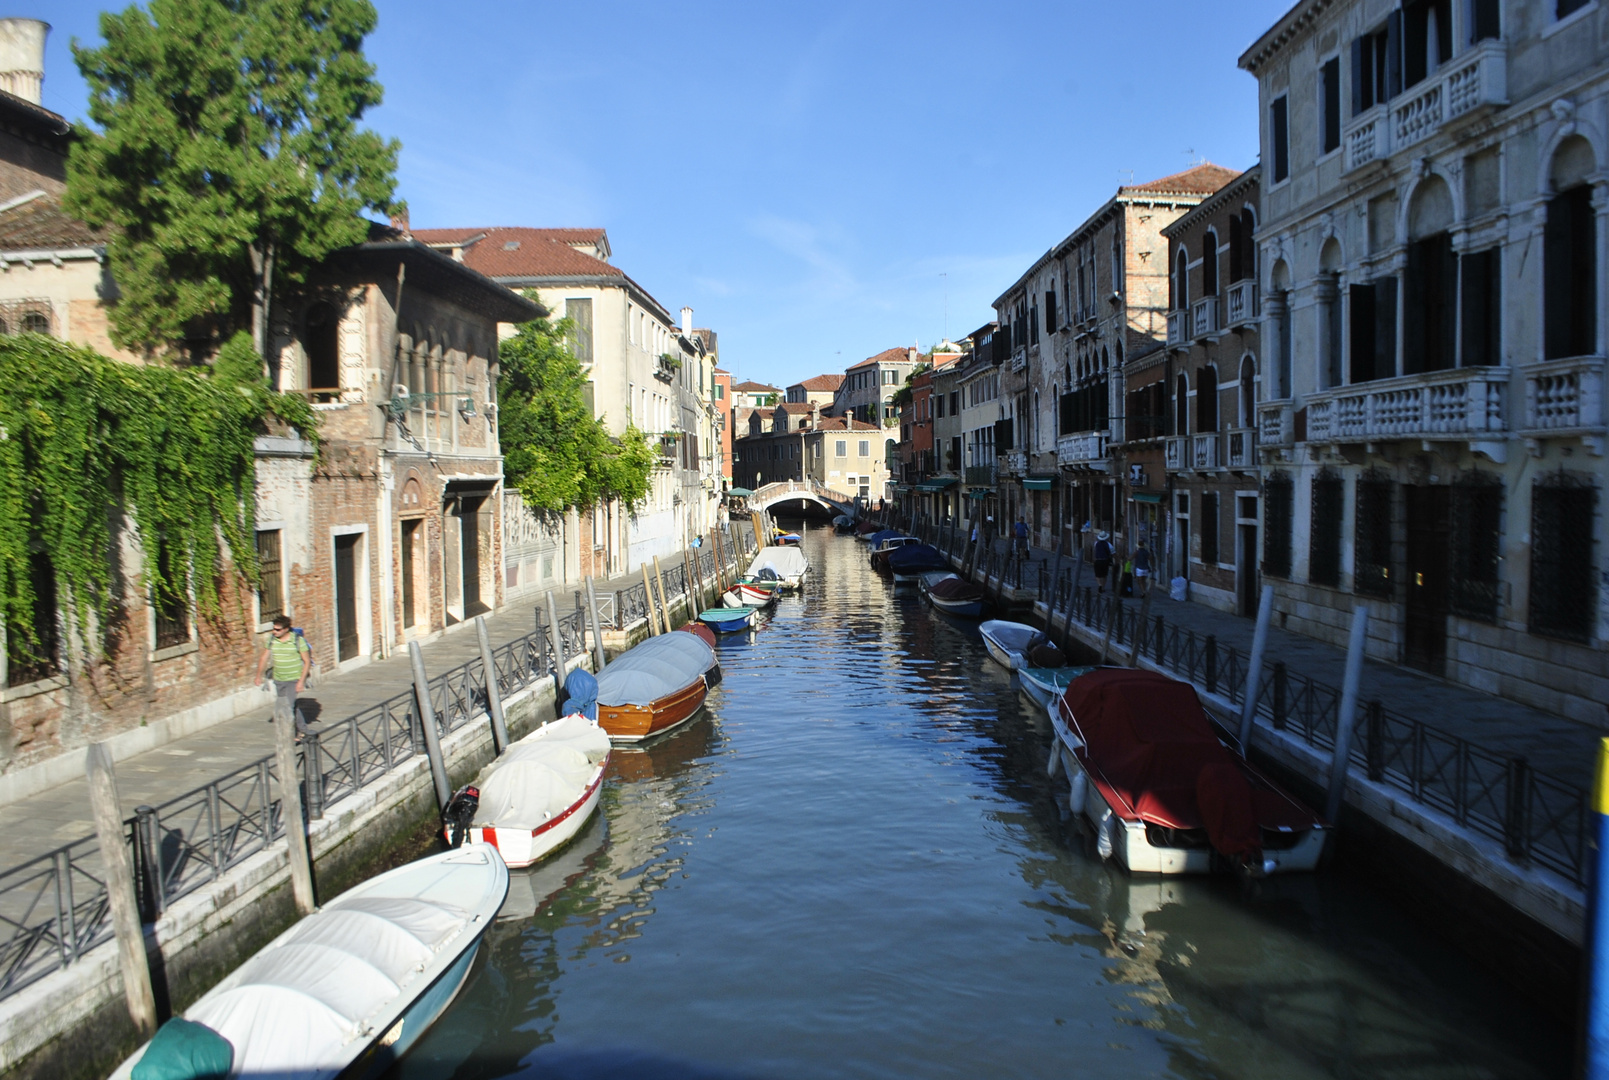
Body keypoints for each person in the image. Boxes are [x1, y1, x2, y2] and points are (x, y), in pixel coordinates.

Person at [255, 615, 311, 737]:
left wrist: (301, 681)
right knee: (290, 705)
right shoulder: (272, 640)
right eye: (273, 629)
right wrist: (258, 676)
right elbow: (264, 657)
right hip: (279, 678)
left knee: (286, 707)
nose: (274, 632)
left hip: (294, 678)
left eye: (278, 630)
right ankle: (303, 730)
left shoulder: (297, 640)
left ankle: (290, 734)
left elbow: (307, 661)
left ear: (286, 629)